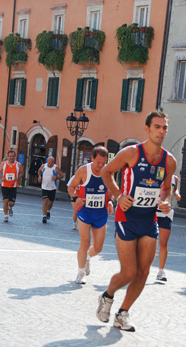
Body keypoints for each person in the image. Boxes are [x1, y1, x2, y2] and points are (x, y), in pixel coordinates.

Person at [97, 111, 177, 332]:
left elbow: (166, 187)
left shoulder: (169, 160)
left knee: (143, 272)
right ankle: (107, 296)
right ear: (147, 129)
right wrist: (118, 195)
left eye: (164, 128)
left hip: (149, 219)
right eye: (157, 127)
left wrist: (166, 201)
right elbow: (106, 172)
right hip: (126, 217)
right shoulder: (131, 153)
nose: (161, 131)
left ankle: (122, 314)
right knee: (129, 272)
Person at [68, 146, 114, 285]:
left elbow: (111, 189)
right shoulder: (83, 171)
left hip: (101, 213)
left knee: (98, 248)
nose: (101, 165)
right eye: (98, 162)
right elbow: (71, 187)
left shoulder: (108, 171)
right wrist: (76, 198)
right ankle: (80, 272)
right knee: (85, 242)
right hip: (85, 212)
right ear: (92, 158)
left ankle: (87, 257)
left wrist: (110, 201)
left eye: (103, 162)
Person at [155, 174, 181, 282]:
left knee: (163, 242)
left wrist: (177, 194)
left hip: (166, 214)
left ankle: (161, 271)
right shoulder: (157, 173)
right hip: (153, 212)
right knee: (148, 241)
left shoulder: (174, 178)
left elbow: (175, 189)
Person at [0, 150, 23, 223]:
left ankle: (10, 207)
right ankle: (5, 216)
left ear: (15, 157)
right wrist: (1, 177)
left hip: (13, 186)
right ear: (8, 156)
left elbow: (21, 173)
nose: (11, 157)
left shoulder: (18, 165)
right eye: (10, 156)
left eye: (13, 156)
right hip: (5, 185)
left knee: (11, 203)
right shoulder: (4, 164)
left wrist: (18, 177)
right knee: (5, 200)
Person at [38, 156, 63, 223]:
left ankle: (48, 211)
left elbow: (61, 175)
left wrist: (57, 177)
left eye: (51, 163)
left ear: (53, 163)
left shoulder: (56, 168)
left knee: (50, 202)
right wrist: (39, 176)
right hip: (44, 187)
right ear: (47, 162)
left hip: (52, 188)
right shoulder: (43, 166)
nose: (50, 164)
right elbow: (39, 171)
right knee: (45, 201)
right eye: (49, 163)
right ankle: (44, 216)